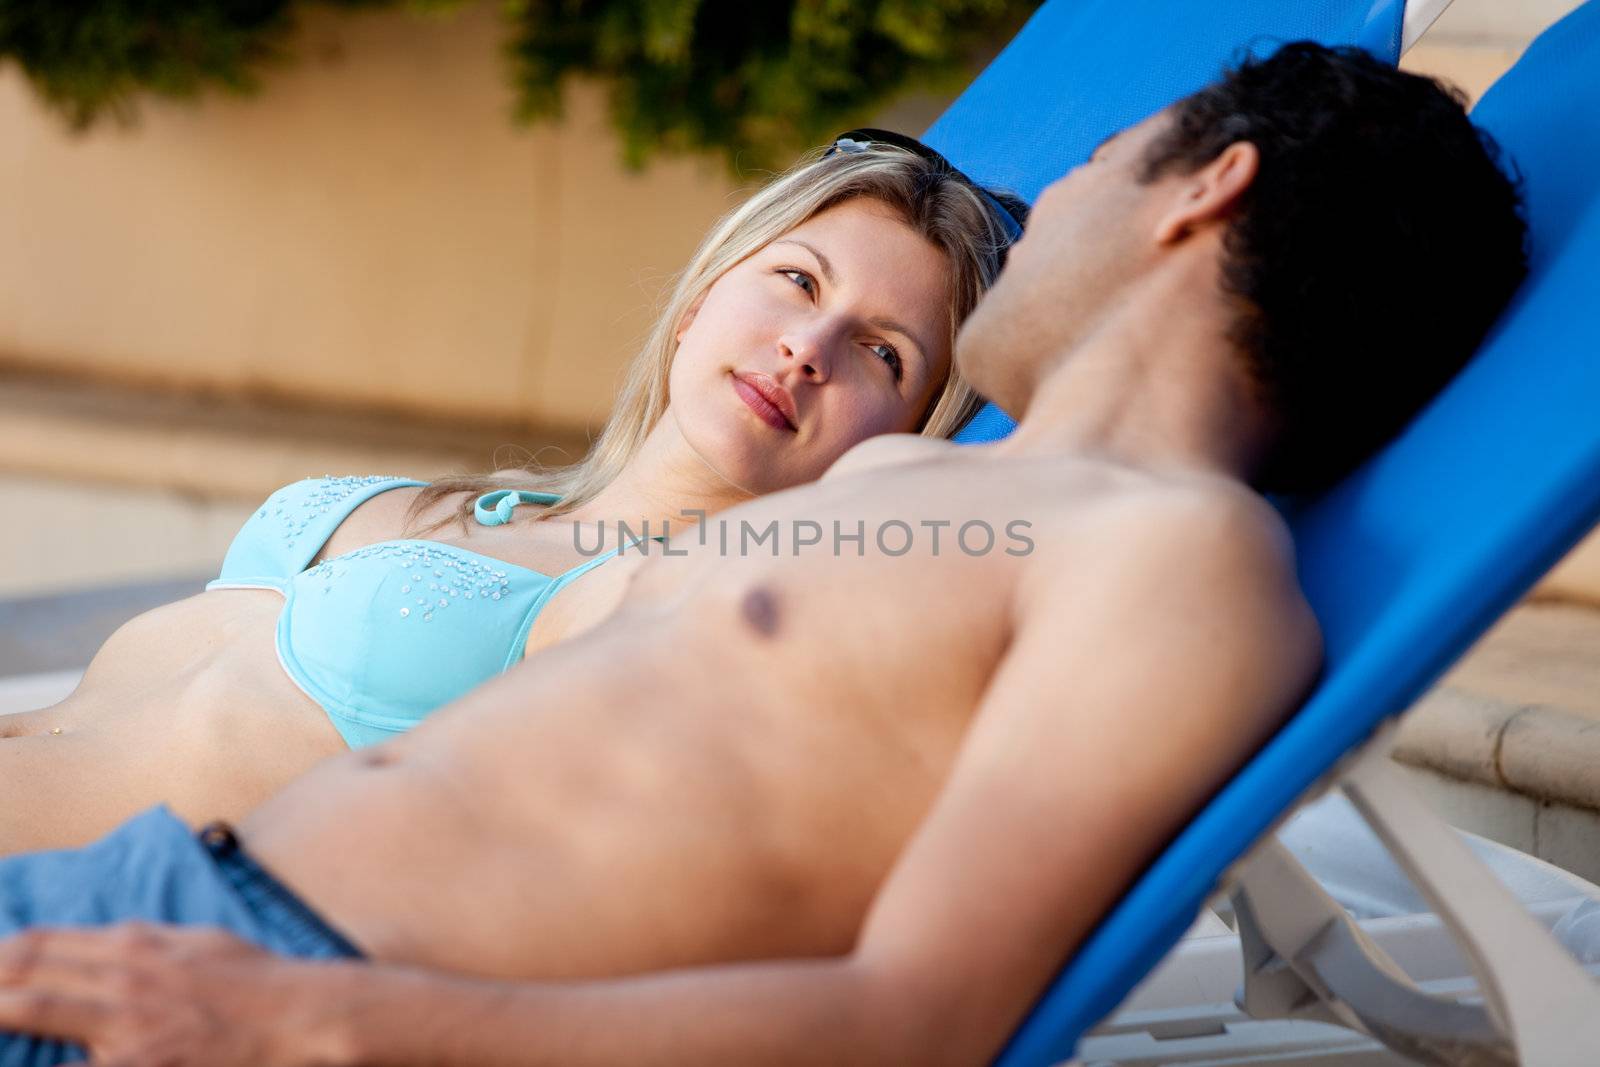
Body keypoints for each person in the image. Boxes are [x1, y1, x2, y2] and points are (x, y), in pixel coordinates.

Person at [0, 43, 1527, 1067]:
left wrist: (309, 1011)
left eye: (1094, 164)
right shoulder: (916, 478)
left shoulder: (1178, 561)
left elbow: (917, 1013)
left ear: (1206, 186)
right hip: (153, 910)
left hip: (263, 993)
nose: (1048, 198)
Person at [0, 135, 1025, 855]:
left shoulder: (671, 607)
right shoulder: (497, 508)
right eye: (798, 280)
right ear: (702, 297)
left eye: (882, 353)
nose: (808, 347)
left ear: (902, 441)